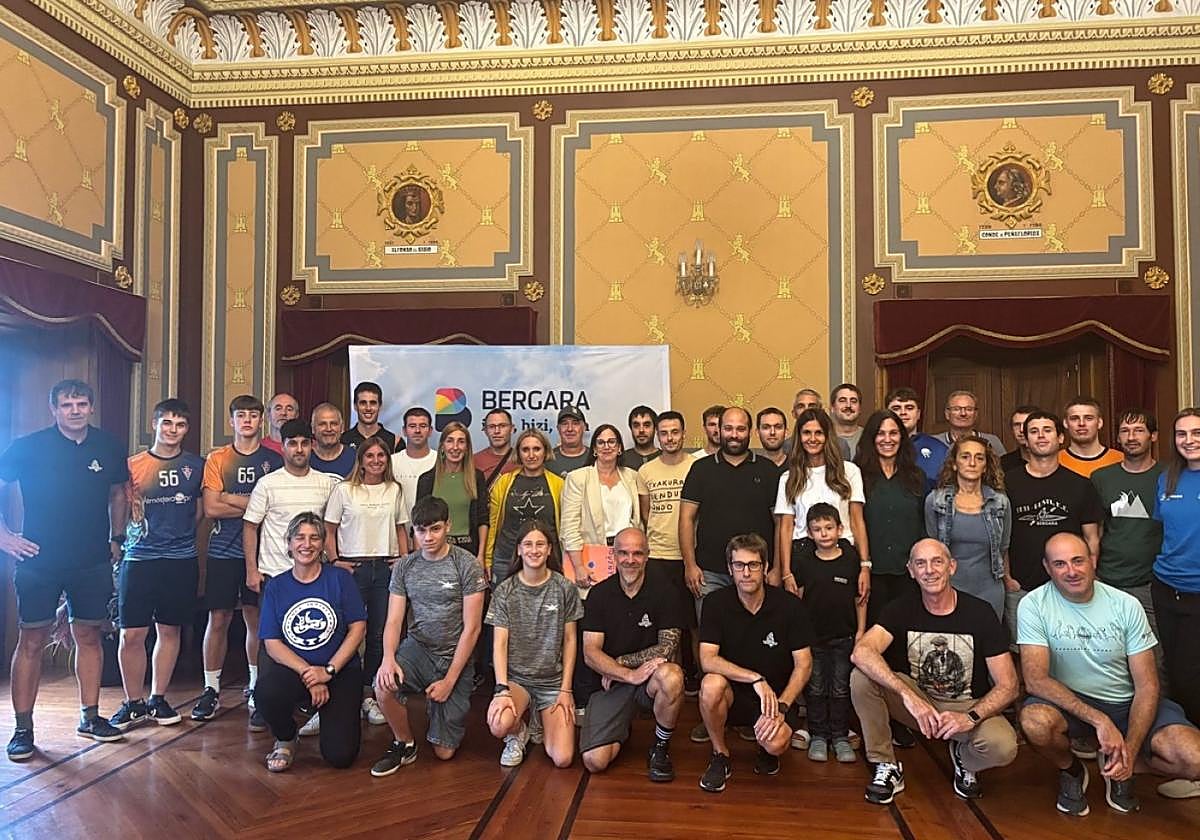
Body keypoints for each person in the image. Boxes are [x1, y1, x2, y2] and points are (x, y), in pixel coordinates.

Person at [1019, 532, 1200, 815]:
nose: (1071, 571)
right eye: (1060, 564)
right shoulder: (1033, 605)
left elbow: (1148, 686)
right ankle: (1072, 769)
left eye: (1078, 561)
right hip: (1069, 705)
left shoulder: (1126, 604)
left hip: (1126, 703)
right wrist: (1100, 720)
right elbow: (1035, 680)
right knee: (1035, 722)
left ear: (1093, 560)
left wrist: (1130, 749)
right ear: (1047, 567)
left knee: (1194, 759)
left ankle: (1122, 765)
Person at [1, 380, 129, 760]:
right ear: (54, 409)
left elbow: (119, 492)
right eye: (67, 404)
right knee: (32, 641)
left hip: (91, 560)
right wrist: (4, 536)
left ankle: (90, 717)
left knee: (88, 637)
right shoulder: (28, 446)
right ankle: (23, 729)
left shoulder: (108, 446)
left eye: (81, 403)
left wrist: (117, 538)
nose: (75, 410)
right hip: (38, 559)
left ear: (91, 407)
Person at [850, 538, 1019, 804]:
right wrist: (909, 696)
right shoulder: (900, 608)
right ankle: (886, 764)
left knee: (1003, 746)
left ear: (952, 567)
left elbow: (1009, 684)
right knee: (862, 677)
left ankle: (964, 760)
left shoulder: (980, 613)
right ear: (911, 571)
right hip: (920, 705)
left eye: (937, 562)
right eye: (921, 563)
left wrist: (971, 717)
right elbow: (861, 652)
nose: (929, 570)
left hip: (966, 705)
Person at [372, 496, 487, 775]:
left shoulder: (466, 564)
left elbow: (472, 628)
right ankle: (405, 743)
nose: (428, 537)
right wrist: (388, 659)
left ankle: (439, 709)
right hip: (418, 648)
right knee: (382, 684)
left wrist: (449, 681)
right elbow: (394, 620)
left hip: (454, 656)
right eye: (421, 530)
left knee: (444, 752)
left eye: (435, 529)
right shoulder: (405, 567)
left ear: (448, 526)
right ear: (413, 530)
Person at [110, 399, 204, 731]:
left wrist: (180, 537)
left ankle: (158, 698)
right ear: (154, 425)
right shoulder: (132, 465)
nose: (172, 430)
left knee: (169, 629)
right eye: (167, 423)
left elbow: (199, 511)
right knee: (132, 633)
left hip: (181, 558)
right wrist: (117, 540)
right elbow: (120, 505)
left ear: (186, 429)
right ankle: (133, 703)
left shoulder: (196, 465)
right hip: (139, 557)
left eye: (180, 425)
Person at [243, 419, 341, 732]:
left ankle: (309, 697)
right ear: (283, 447)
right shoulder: (268, 484)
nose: (299, 449)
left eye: (304, 443)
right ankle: (264, 704)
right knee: (270, 642)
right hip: (275, 576)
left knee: (313, 636)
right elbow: (250, 527)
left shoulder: (326, 483)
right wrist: (251, 569)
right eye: (292, 444)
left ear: (312, 445)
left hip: (315, 576)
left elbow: (333, 527)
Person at [193, 394, 283, 724]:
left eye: (253, 415)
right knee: (218, 619)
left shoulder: (273, 460)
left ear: (261, 421)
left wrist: (229, 497)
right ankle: (211, 688)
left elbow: (274, 506)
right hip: (222, 551)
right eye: (241, 415)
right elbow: (211, 507)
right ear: (231, 421)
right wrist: (253, 503)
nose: (247, 420)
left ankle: (256, 685)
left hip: (260, 553)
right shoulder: (218, 458)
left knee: (255, 620)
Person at [697, 533, 811, 791]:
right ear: (730, 569)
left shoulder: (789, 606)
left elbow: (804, 663)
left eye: (753, 565)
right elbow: (707, 659)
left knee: (776, 743)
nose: (746, 573)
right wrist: (755, 679)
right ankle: (720, 754)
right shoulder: (715, 603)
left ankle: (765, 750)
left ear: (766, 567)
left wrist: (782, 706)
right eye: (739, 565)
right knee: (711, 685)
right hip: (733, 693)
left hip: (775, 698)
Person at [256, 512, 366, 772]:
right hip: (297, 671)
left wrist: (328, 671)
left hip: (340, 671)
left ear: (323, 544)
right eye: (300, 538)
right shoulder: (276, 586)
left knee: (340, 757)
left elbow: (358, 628)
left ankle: (330, 714)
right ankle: (286, 737)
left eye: (314, 538)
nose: (307, 544)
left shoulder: (340, 579)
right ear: (289, 543)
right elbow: (272, 643)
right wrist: (311, 675)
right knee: (266, 692)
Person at [579, 528, 686, 781]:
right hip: (612, 683)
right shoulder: (599, 594)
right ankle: (621, 728)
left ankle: (660, 747)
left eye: (637, 553)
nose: (630, 560)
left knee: (672, 676)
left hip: (648, 679)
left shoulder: (666, 592)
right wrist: (626, 674)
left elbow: (667, 647)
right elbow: (590, 653)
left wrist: (622, 663)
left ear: (647, 556)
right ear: (614, 556)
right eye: (624, 553)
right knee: (595, 761)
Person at [324, 436, 409, 727]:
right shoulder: (344, 490)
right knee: (346, 631)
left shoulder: (394, 489)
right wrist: (335, 560)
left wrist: (404, 559)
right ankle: (338, 692)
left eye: (381, 456)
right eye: (369, 456)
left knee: (379, 634)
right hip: (353, 567)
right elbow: (329, 529)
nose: (376, 461)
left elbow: (401, 529)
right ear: (360, 460)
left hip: (385, 567)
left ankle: (369, 694)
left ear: (387, 460)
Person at [485, 520, 582, 768]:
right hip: (517, 680)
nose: (534, 550)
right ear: (519, 549)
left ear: (549, 549)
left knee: (562, 758)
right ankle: (519, 732)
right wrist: (501, 690)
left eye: (540, 544)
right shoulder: (505, 591)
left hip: (552, 682)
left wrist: (566, 689)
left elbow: (570, 640)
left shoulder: (564, 588)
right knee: (499, 724)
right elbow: (499, 643)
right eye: (527, 544)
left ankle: (540, 717)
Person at [1005, 411, 1102, 644]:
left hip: (1069, 585)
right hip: (1022, 588)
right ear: (1025, 439)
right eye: (1034, 431)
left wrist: (1088, 574)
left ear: (1060, 438)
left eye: (1047, 430)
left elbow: (1092, 537)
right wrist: (1007, 578)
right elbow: (1000, 537)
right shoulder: (1007, 483)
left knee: (1071, 648)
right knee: (1025, 653)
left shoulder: (1081, 485)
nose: (1041, 436)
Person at [681, 406, 780, 614]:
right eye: (728, 428)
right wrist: (690, 565)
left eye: (740, 429)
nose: (734, 435)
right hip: (710, 573)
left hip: (756, 571)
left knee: (756, 630)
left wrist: (777, 567)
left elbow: (781, 523)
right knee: (712, 630)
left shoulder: (768, 470)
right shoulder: (701, 469)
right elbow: (686, 519)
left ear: (750, 432)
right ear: (719, 430)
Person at [1092, 410, 1164, 679]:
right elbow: (1094, 531)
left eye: (1139, 430)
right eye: (1125, 431)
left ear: (1153, 436)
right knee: (1107, 656)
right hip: (1107, 581)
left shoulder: (1168, 476)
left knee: (1153, 661)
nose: (1131, 437)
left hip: (1151, 584)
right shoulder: (1101, 478)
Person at [790, 506, 864, 764]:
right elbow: (798, 601)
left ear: (840, 529)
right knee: (816, 688)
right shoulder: (804, 562)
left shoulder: (851, 560)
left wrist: (861, 631)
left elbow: (859, 599)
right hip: (813, 640)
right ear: (810, 533)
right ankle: (818, 735)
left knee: (841, 689)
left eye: (829, 528)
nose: (824, 534)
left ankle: (840, 736)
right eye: (817, 529)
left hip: (844, 637)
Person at [775, 409, 869, 600]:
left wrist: (865, 565)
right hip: (803, 554)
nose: (812, 438)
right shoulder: (789, 477)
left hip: (842, 552)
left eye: (818, 433)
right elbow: (786, 527)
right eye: (806, 433)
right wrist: (786, 572)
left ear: (827, 436)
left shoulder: (849, 471)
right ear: (799, 437)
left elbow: (857, 521)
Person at [637, 411, 698, 691]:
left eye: (675, 432)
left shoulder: (697, 466)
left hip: (690, 556)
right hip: (657, 557)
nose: (670, 438)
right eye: (664, 433)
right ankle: (671, 682)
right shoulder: (646, 471)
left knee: (694, 623)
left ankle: (698, 680)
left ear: (684, 433)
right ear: (657, 436)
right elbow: (645, 514)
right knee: (665, 623)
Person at [925, 435, 1013, 619]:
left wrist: (1008, 578)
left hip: (989, 589)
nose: (972, 463)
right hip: (948, 588)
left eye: (979, 458)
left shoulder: (1000, 502)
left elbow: (1004, 547)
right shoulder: (936, 501)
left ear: (985, 466)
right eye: (965, 456)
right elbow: (932, 547)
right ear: (954, 464)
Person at [1152, 409, 1200, 742]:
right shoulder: (1167, 477)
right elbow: (1167, 530)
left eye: (1196, 433)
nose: (1189, 440)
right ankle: (1183, 743)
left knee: (1191, 672)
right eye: (1181, 434)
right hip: (1167, 586)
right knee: (1172, 669)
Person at [855, 410, 925, 625]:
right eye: (881, 433)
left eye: (893, 433)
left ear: (902, 437)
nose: (887, 439)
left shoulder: (916, 477)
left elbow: (923, 524)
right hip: (869, 573)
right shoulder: (857, 476)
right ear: (871, 438)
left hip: (908, 573)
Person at [560, 425, 644, 587]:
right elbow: (569, 527)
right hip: (592, 558)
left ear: (619, 448)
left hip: (627, 556)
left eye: (612, 442)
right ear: (594, 449)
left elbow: (637, 520)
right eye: (601, 442)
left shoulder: (632, 477)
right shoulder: (577, 478)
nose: (607, 446)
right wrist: (579, 566)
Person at [485, 429, 564, 584]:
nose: (531, 455)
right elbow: (492, 524)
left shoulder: (559, 484)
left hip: (546, 559)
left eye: (537, 449)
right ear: (519, 453)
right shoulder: (504, 482)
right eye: (525, 450)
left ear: (545, 451)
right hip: (506, 558)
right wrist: (487, 558)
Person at [416, 421, 488, 564]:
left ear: (467, 447)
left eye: (461, 442)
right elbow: (418, 523)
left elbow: (482, 520)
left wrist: (481, 555)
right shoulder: (427, 480)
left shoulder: (477, 477)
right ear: (442, 446)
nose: (455, 447)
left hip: (469, 552)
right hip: (435, 552)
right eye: (450, 441)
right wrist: (419, 557)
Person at [885, 387, 948, 488]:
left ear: (918, 414)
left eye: (909, 408)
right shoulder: (877, 446)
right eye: (896, 408)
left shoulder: (938, 449)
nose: (903, 412)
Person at [390, 407, 437, 524]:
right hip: (396, 530)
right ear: (404, 431)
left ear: (430, 431)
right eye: (412, 426)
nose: (417, 430)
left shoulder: (440, 461)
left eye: (423, 426)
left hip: (430, 531)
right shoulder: (391, 462)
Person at [1060, 397, 1123, 478]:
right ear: (1065, 423)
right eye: (1074, 418)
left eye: (1089, 418)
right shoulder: (1055, 461)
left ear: (1099, 423)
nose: (1081, 423)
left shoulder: (1120, 460)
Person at [938, 390, 1004, 456]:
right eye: (956, 409)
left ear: (975, 414)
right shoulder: (936, 442)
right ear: (947, 414)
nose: (963, 413)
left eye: (969, 409)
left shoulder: (992, 441)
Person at [342, 381, 398, 453]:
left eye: (373, 403)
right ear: (355, 406)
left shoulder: (395, 442)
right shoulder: (342, 440)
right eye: (363, 403)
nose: (368, 408)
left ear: (380, 406)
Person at [474, 408, 518, 491]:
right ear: (485, 431)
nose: (497, 431)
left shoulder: (522, 460)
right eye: (491, 427)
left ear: (512, 429)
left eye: (502, 426)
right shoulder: (473, 461)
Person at [310, 403, 356, 477]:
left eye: (334, 424)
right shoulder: (305, 458)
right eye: (322, 424)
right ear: (313, 428)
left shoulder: (355, 459)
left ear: (342, 428)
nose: (329, 429)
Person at [548, 406, 589, 476]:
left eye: (575, 423)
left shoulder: (595, 458)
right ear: (558, 428)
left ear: (584, 427)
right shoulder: (548, 459)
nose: (570, 429)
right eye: (564, 424)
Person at [1000, 404, 1038, 474]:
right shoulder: (1003, 463)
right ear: (1012, 429)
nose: (1021, 430)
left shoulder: (1054, 460)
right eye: (1017, 425)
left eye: (1026, 424)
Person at [619, 405, 660, 470]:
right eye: (636, 426)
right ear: (631, 428)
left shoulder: (665, 457)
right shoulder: (621, 459)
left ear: (655, 428)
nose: (641, 430)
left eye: (646, 425)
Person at [831, 383, 864, 459]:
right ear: (832, 408)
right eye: (842, 401)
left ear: (860, 408)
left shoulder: (869, 437)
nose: (848, 405)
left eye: (853, 401)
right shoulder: (823, 437)